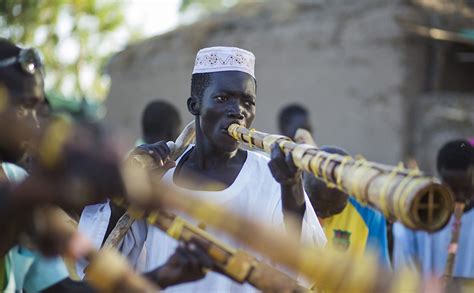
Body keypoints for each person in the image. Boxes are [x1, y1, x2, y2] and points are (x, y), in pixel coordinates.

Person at [0, 39, 209, 292]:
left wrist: (159, 276)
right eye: (24, 106)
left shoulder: (15, 179)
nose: (34, 124)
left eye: (38, 108)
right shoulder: (22, 193)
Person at [133, 46, 326, 292]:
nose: (238, 112)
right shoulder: (160, 175)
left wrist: (292, 188)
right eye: (222, 99)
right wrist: (128, 185)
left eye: (248, 102)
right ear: (195, 105)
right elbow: (110, 258)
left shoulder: (271, 175)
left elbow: (303, 268)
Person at [393, 139, 474, 279]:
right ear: (440, 180)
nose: (460, 197)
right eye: (453, 189)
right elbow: (405, 269)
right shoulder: (419, 215)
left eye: (467, 189)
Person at [303, 145, 391, 268]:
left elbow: (379, 274)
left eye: (327, 214)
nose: (320, 222)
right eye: (314, 211)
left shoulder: (368, 212)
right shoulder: (291, 197)